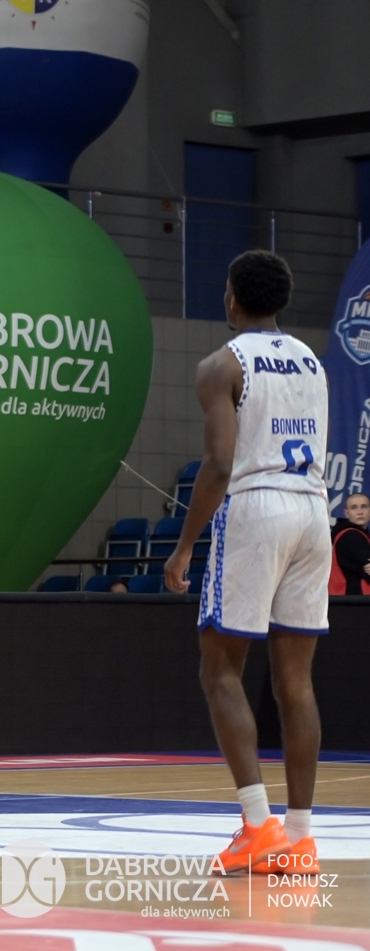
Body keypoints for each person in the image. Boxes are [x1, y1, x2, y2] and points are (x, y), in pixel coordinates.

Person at [165, 250, 329, 877]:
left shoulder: (221, 364)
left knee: (219, 670)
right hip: (312, 508)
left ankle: (259, 827)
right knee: (296, 683)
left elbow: (220, 464)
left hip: (258, 507)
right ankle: (302, 839)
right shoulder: (312, 360)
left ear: (232, 297)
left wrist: (184, 544)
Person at [329, 493, 370, 595]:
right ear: (347, 513)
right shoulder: (351, 536)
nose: (360, 512)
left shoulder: (358, 534)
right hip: (356, 600)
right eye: (354, 508)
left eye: (364, 507)